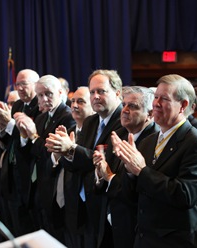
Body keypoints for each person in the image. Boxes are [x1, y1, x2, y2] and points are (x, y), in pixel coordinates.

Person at [110, 74, 197, 247]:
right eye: (156, 97)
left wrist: (141, 171)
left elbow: (185, 195)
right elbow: (132, 196)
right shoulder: (148, 141)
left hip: (173, 242)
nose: (156, 103)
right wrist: (129, 171)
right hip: (143, 238)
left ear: (183, 105)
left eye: (164, 99)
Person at [46, 69, 123, 248]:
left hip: (108, 205)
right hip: (82, 203)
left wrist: (72, 149)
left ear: (117, 93)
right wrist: (64, 151)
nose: (95, 96)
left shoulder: (123, 121)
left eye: (101, 91)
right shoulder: (91, 121)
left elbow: (106, 160)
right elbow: (81, 162)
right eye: (92, 92)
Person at [93, 86, 158, 248]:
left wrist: (108, 176)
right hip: (110, 221)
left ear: (150, 114)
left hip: (136, 228)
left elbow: (139, 190)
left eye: (133, 106)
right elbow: (105, 178)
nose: (125, 110)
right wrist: (100, 174)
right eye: (124, 105)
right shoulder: (118, 134)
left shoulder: (154, 141)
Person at [14, 74, 75, 243]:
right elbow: (32, 152)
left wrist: (33, 135)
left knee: (56, 237)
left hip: (56, 188)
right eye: (40, 95)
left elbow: (50, 151)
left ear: (61, 92)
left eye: (48, 93)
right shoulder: (42, 117)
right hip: (38, 185)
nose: (44, 99)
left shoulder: (67, 116)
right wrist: (24, 136)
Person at [0, 69, 41, 237]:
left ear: (36, 85)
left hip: (29, 172)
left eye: (24, 84)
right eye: (17, 84)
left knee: (30, 225)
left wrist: (10, 124)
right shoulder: (19, 105)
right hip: (12, 170)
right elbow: (9, 141)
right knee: (15, 223)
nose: (19, 88)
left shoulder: (40, 106)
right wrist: (2, 125)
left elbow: (29, 140)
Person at [46, 86, 95, 247]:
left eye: (80, 102)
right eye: (72, 101)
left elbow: (91, 162)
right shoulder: (69, 131)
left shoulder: (96, 134)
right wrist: (56, 155)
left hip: (85, 209)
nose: (74, 105)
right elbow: (50, 167)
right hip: (64, 204)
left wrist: (71, 150)